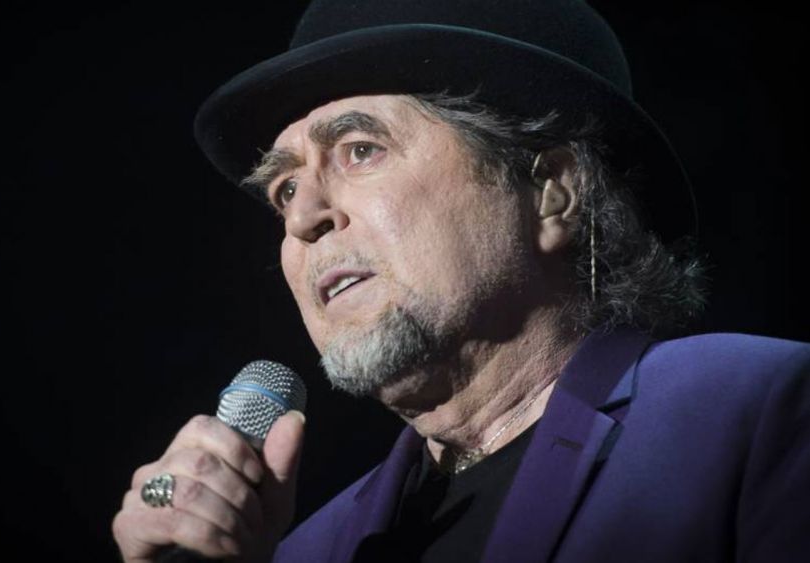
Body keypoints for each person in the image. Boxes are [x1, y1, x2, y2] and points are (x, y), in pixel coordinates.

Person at [112, 1, 810, 561]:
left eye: (360, 150)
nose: (303, 218)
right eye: (285, 189)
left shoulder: (752, 410)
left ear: (552, 192)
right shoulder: (308, 549)